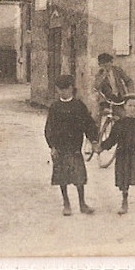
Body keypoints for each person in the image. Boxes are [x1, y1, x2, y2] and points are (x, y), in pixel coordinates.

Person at [45, 74, 99, 216]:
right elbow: (49, 128)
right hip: (60, 148)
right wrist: (52, 146)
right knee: (62, 177)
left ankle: (82, 203)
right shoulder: (55, 107)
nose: (63, 92)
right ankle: (66, 204)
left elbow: (88, 124)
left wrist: (93, 140)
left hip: (75, 148)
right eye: (60, 89)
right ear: (57, 90)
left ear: (71, 88)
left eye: (66, 89)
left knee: (79, 177)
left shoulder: (78, 106)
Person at [97, 93, 135, 215]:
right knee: (124, 178)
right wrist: (101, 147)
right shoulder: (120, 124)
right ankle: (124, 201)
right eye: (130, 105)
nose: (133, 109)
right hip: (124, 155)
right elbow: (112, 140)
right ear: (125, 107)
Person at [94, 52, 134, 121]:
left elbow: (128, 81)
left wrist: (130, 94)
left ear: (111, 63)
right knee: (98, 119)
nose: (106, 68)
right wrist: (103, 76)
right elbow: (96, 87)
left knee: (124, 117)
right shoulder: (99, 74)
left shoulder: (117, 70)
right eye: (103, 65)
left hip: (119, 99)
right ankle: (100, 131)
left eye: (107, 65)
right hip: (107, 101)